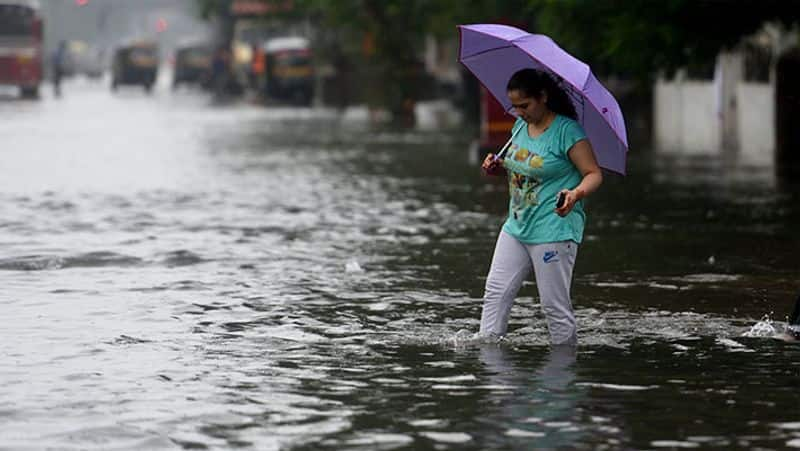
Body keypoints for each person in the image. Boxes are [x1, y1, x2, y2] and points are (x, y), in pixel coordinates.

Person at [479, 68, 603, 346]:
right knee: (495, 293)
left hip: (553, 230)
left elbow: (594, 173)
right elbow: (520, 171)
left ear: (543, 97)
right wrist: (498, 168)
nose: (519, 112)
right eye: (515, 106)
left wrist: (575, 193)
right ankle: (490, 363)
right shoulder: (520, 126)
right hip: (516, 226)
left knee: (553, 307)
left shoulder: (567, 132)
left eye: (525, 105)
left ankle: (562, 373)